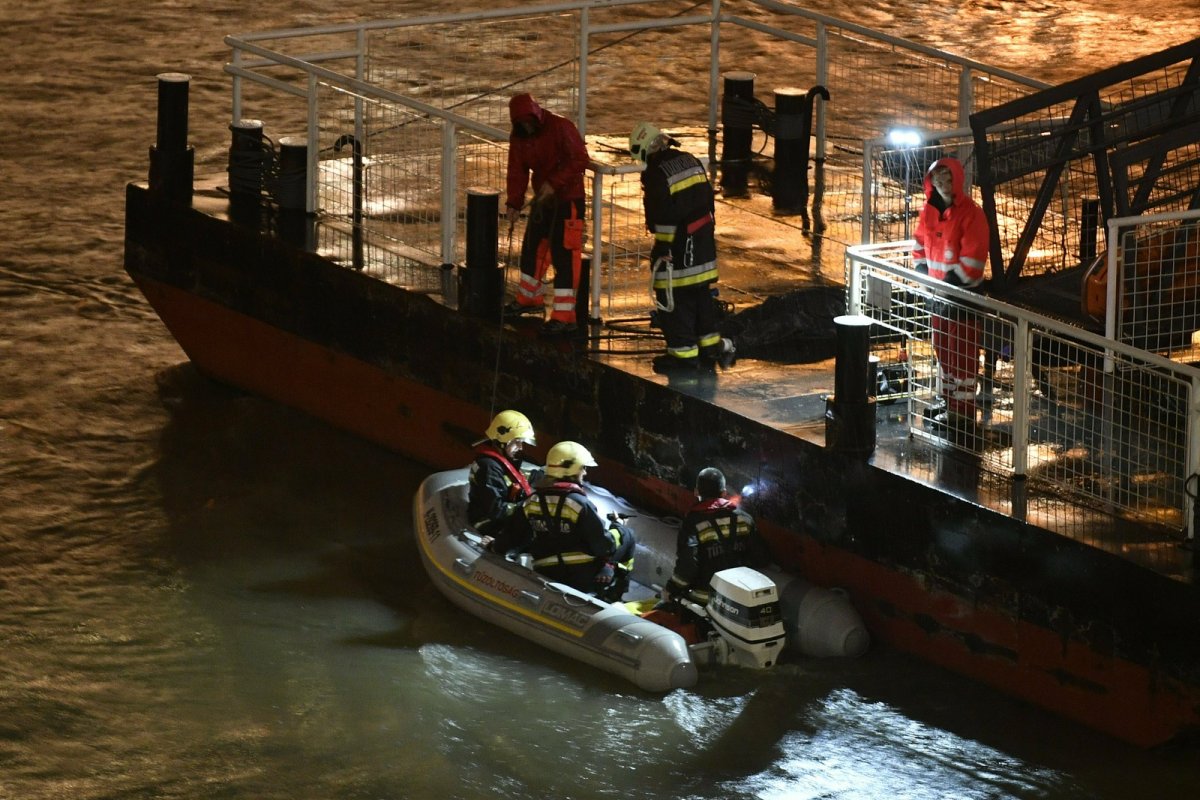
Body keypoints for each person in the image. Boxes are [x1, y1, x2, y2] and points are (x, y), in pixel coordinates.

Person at [629, 121, 735, 374]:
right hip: (702, 241)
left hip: (679, 247)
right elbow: (708, 200)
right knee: (700, 296)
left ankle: (683, 355)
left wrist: (662, 249)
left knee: (672, 300)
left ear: (645, 152)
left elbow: (662, 217)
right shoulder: (690, 159)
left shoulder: (656, 173)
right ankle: (709, 347)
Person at [489, 441, 636, 601]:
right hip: (582, 577)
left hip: (546, 570)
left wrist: (493, 546)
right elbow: (604, 546)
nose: (585, 473)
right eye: (583, 467)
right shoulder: (580, 504)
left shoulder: (532, 502)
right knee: (627, 535)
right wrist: (618, 526)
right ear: (572, 470)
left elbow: (513, 536)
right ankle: (614, 592)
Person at [912, 156, 990, 439]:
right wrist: (924, 276)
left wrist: (944, 286)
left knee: (963, 357)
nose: (943, 185)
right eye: (938, 180)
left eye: (947, 179)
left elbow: (972, 260)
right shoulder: (929, 211)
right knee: (943, 352)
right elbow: (920, 245)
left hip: (962, 298)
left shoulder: (972, 215)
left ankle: (963, 413)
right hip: (940, 297)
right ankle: (948, 403)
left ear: (957, 181)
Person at [503, 93, 591, 336]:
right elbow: (516, 170)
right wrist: (514, 202)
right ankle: (529, 299)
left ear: (536, 116)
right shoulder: (520, 137)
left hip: (568, 199)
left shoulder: (562, 127)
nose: (526, 127)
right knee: (532, 248)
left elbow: (580, 160)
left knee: (564, 257)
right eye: (521, 124)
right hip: (544, 199)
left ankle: (564, 316)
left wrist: (554, 183)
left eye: (528, 122)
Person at [664, 467, 770, 607]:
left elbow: (688, 565)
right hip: (738, 600)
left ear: (696, 491)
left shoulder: (693, 521)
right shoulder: (745, 519)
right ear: (724, 493)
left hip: (704, 601)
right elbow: (760, 558)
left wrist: (670, 589)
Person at [468, 410, 538, 540]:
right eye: (517, 442)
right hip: (488, 522)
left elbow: (518, 478)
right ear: (502, 440)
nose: (521, 447)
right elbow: (496, 509)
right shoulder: (488, 467)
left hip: (500, 517)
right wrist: (529, 507)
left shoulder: (499, 463)